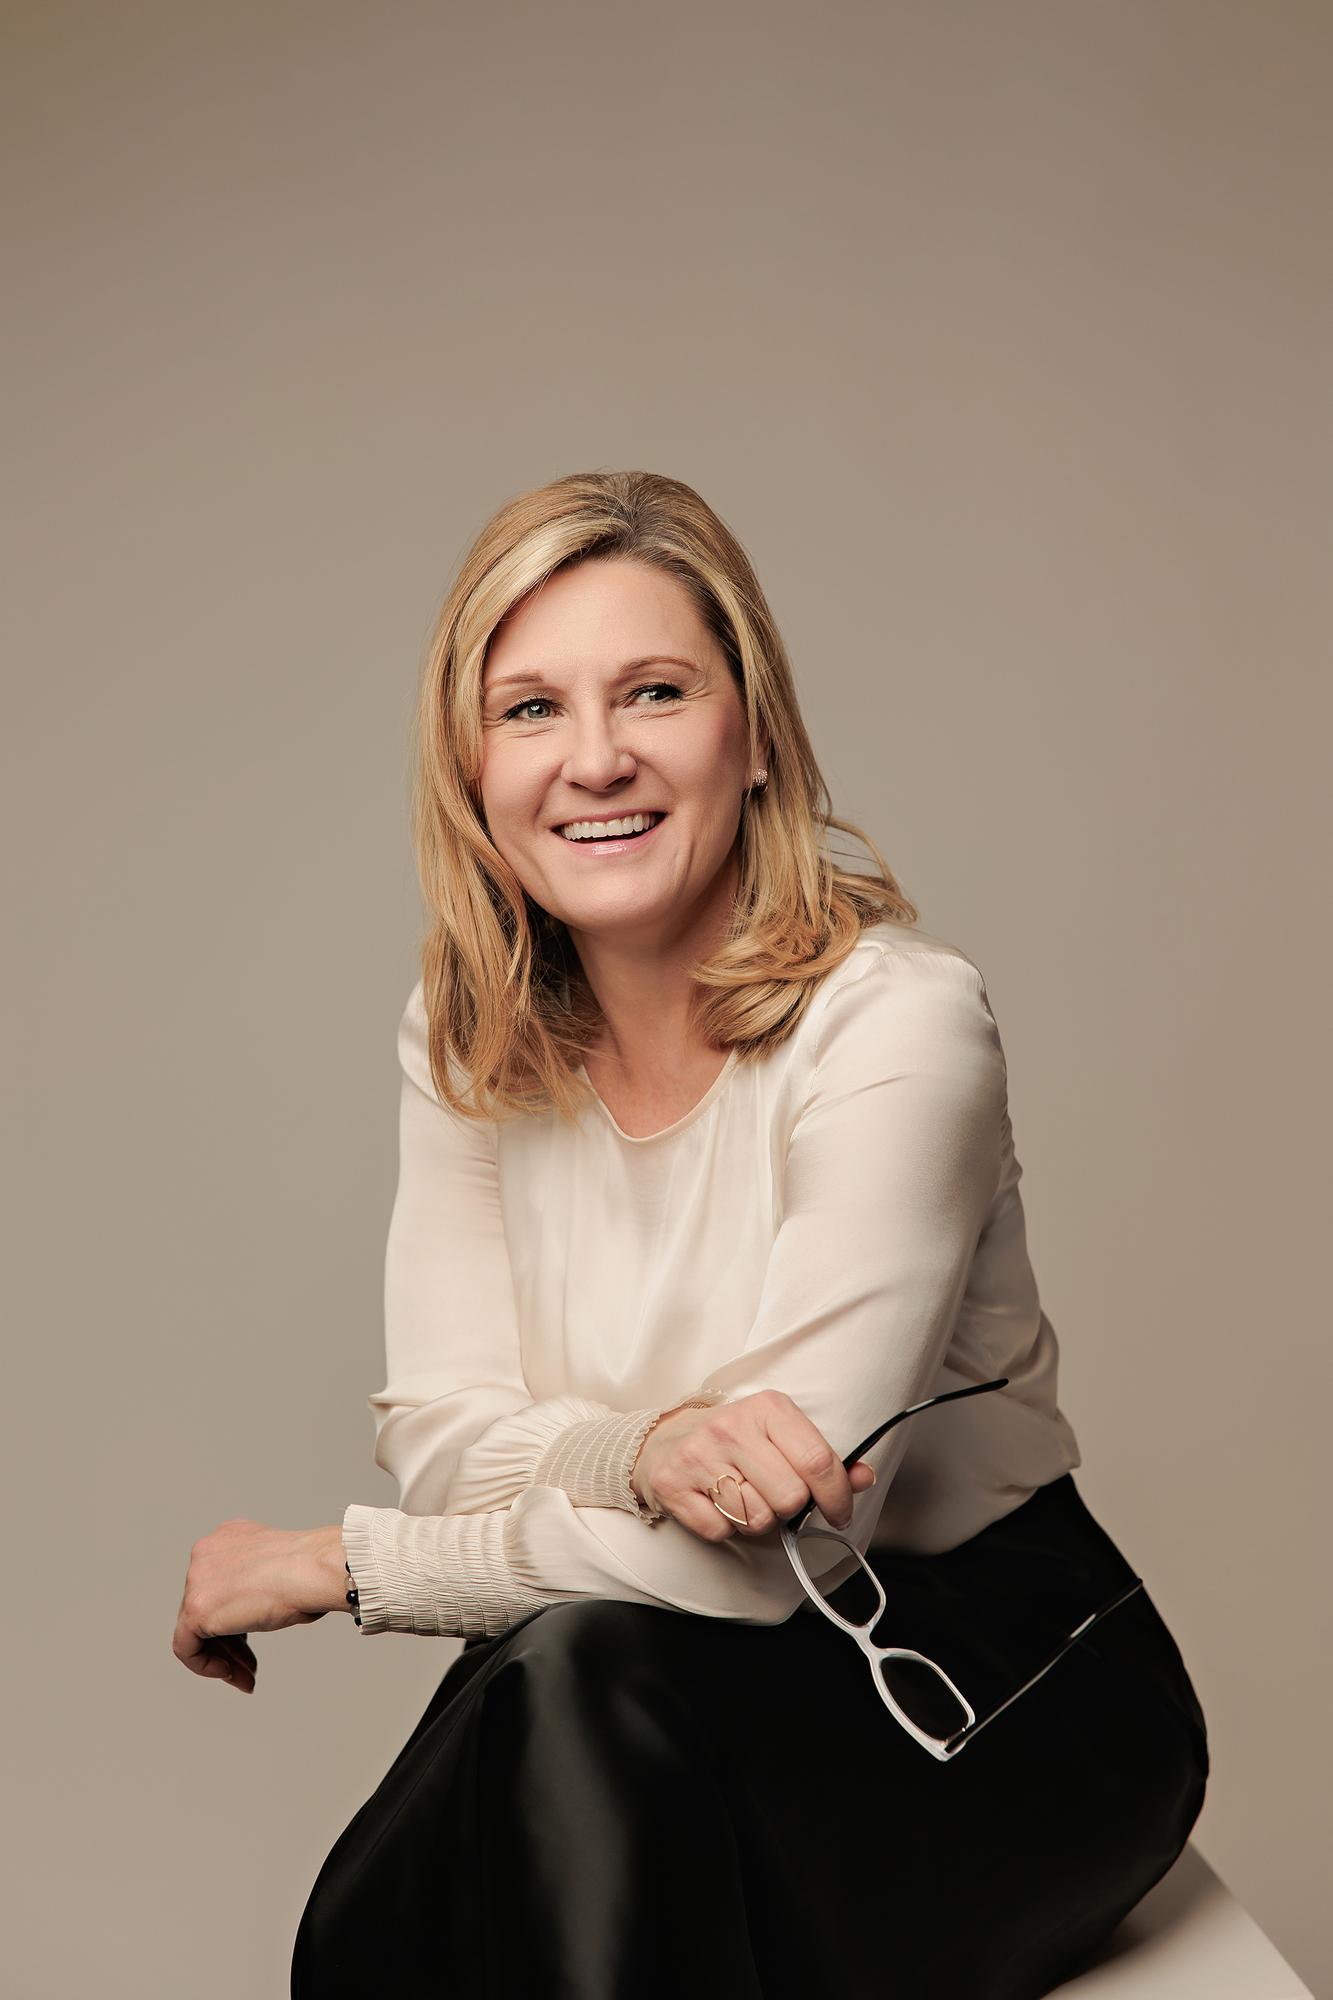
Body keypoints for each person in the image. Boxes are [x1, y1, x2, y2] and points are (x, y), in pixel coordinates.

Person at [174, 470, 1209, 1998]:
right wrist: (640, 1454)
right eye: (529, 709)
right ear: (468, 769)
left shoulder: (896, 1025)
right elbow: (447, 1436)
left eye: (652, 691)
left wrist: (346, 1565)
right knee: (567, 1684)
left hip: (992, 1693)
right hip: (644, 1689)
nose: (594, 760)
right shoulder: (466, 1041)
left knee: (541, 1719)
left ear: (751, 731)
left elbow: (766, 1558)